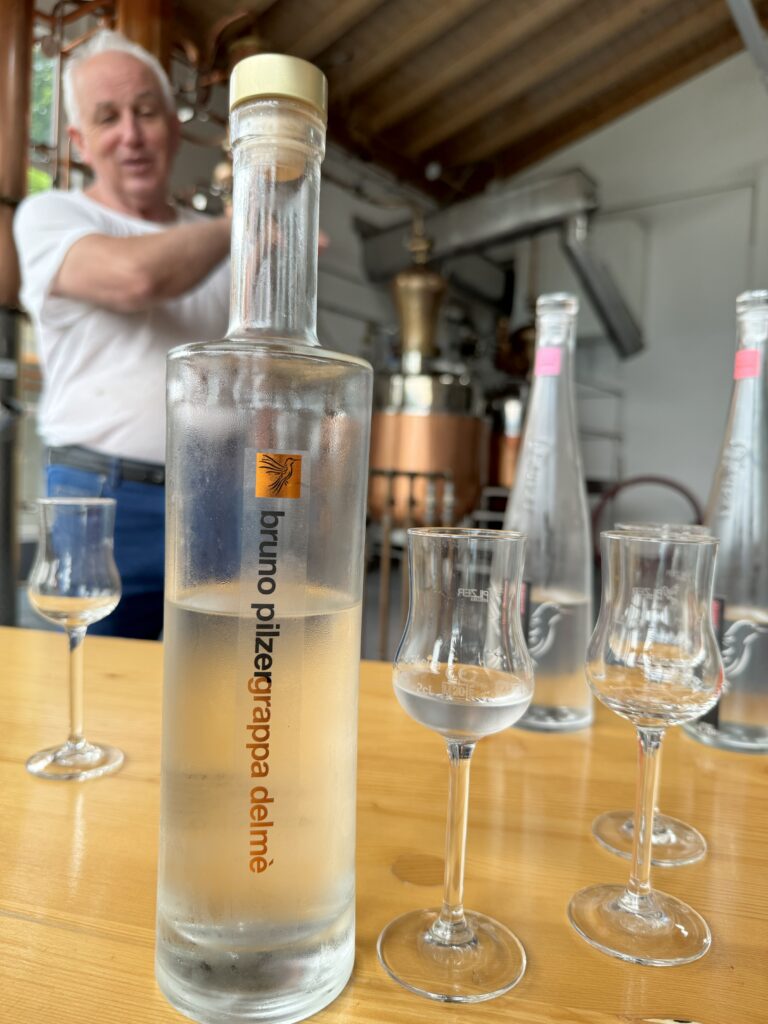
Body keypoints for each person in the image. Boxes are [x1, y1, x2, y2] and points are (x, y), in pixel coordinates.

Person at [14, 30, 231, 639]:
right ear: (79, 142)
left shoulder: (217, 244)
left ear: (174, 127)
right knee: (94, 678)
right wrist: (241, 225)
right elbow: (136, 279)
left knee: (215, 676)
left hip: (214, 500)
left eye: (146, 112)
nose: (131, 135)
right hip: (97, 498)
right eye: (108, 118)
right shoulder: (52, 215)